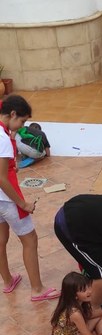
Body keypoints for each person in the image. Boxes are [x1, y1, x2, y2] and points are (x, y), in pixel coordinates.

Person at [0, 95, 59, 301]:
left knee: (1, 238)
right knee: (30, 239)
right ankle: (37, 289)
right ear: (13, 114)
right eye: (22, 121)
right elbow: (2, 178)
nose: (22, 125)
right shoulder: (3, 139)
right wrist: (22, 203)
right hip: (7, 199)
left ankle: (7, 280)